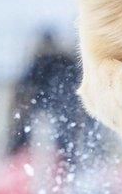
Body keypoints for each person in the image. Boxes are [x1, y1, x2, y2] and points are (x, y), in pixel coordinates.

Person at [8, 29, 83, 168]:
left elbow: (23, 96)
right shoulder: (67, 63)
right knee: (68, 146)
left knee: (29, 135)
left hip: (44, 114)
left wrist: (11, 147)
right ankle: (71, 164)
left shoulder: (37, 65)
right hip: (64, 114)